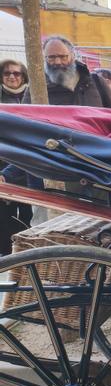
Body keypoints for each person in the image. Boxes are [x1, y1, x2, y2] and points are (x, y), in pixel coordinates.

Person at [0, 59, 33, 255]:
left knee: (28, 216)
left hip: (29, 165)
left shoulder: (33, 95)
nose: (12, 77)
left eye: (16, 73)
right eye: (7, 73)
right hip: (4, 166)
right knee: (5, 219)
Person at [41, 36, 111, 109]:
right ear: (44, 58)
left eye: (63, 57)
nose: (57, 62)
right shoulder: (39, 89)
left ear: (73, 56)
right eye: (51, 57)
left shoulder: (96, 82)